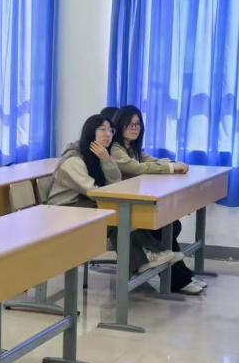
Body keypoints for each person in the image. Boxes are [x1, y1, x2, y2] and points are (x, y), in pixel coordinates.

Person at [47, 114, 172, 276]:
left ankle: (149, 256)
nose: (108, 134)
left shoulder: (98, 154)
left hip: (84, 205)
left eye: (111, 130)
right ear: (90, 132)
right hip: (64, 211)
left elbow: (114, 184)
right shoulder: (73, 160)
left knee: (126, 213)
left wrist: (107, 160)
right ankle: (147, 257)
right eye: (102, 129)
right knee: (117, 215)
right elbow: (93, 192)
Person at [110, 106, 204, 295]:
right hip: (122, 207)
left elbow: (150, 161)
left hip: (136, 203)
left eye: (137, 124)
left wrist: (172, 164)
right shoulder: (116, 149)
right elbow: (137, 168)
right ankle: (178, 281)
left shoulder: (133, 148)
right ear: (120, 126)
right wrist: (172, 168)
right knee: (163, 229)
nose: (134, 128)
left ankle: (181, 277)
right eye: (129, 124)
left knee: (171, 225)